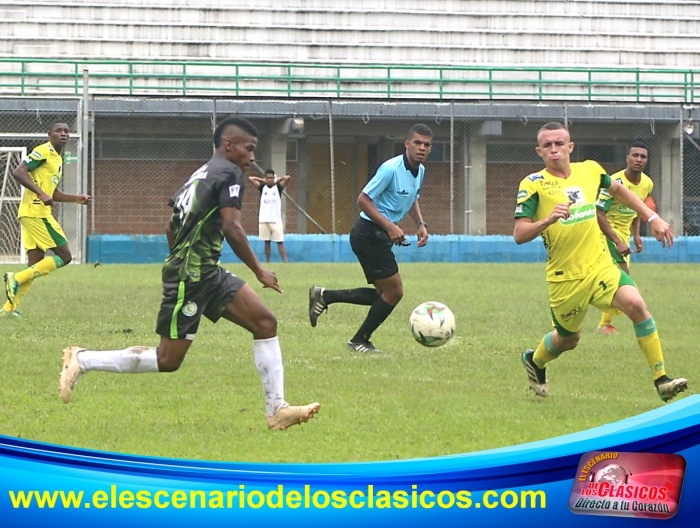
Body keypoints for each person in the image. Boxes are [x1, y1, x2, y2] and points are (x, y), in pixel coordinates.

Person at [58, 117, 320, 431]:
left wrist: (184, 259)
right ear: (229, 145)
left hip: (205, 271)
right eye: (248, 149)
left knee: (265, 322)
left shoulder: (199, 174)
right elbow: (232, 227)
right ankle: (83, 359)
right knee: (169, 359)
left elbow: (171, 226)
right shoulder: (230, 173)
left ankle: (277, 410)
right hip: (193, 276)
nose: (252, 158)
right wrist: (258, 271)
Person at [514, 122, 687, 402]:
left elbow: (619, 191)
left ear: (571, 147)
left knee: (636, 304)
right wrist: (547, 219)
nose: (554, 149)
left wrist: (651, 218)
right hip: (565, 277)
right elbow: (519, 234)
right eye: (547, 145)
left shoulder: (590, 170)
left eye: (559, 144)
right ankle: (535, 360)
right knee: (568, 340)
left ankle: (661, 379)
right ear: (539, 151)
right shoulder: (533, 184)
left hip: (600, 265)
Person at [308, 123, 433, 353]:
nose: (422, 148)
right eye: (417, 143)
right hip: (368, 233)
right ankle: (359, 340)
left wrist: (420, 224)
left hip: (378, 235)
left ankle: (324, 296)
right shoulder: (391, 169)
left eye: (427, 144)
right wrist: (390, 226)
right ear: (407, 144)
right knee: (394, 292)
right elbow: (363, 200)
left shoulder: (420, 170)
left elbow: (412, 198)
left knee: (383, 294)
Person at [3, 122, 90, 318]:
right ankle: (15, 278)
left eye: (66, 131)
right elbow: (19, 172)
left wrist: (75, 198)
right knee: (65, 256)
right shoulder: (43, 151)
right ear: (49, 134)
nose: (63, 134)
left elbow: (53, 193)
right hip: (36, 212)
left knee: (35, 261)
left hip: (31, 212)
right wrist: (40, 193)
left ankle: (9, 309)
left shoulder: (57, 159)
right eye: (58, 131)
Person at [594, 141, 653, 334]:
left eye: (642, 156)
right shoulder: (614, 182)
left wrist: (636, 235)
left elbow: (637, 209)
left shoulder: (647, 184)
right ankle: (606, 325)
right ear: (627, 157)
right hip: (606, 233)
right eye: (634, 155)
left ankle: (605, 322)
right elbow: (599, 213)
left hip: (624, 236)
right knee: (623, 277)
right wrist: (617, 241)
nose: (638, 159)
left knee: (615, 278)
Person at [248, 169, 291, 263]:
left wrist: (278, 180)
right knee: (267, 242)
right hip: (264, 219)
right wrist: (262, 180)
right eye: (267, 178)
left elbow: (287, 178)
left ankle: (285, 261)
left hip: (275, 219)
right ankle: (268, 261)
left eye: (271, 178)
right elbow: (250, 179)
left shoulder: (278, 187)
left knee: (279, 241)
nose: (269, 180)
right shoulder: (262, 187)